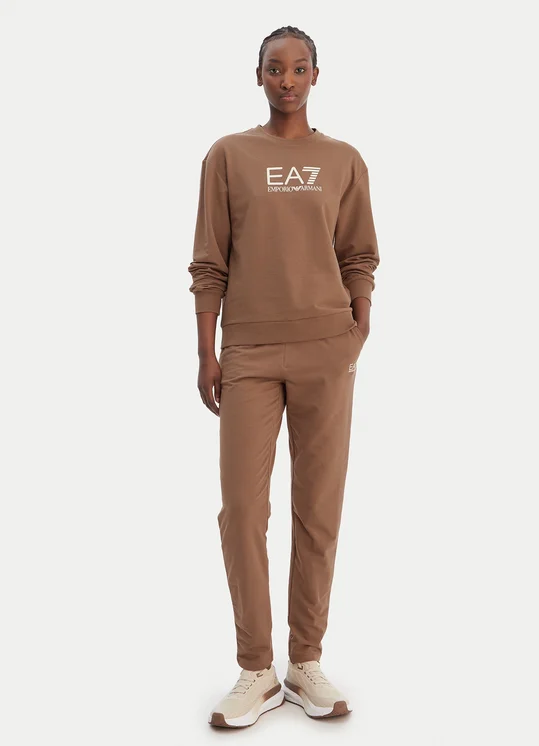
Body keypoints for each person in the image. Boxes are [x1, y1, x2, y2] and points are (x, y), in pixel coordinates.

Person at [188, 25, 380, 728]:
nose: (288, 80)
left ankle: (305, 661)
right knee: (242, 510)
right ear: (259, 75)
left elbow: (358, 252)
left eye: (300, 68)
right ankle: (255, 669)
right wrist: (207, 352)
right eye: (276, 68)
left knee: (318, 509)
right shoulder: (228, 155)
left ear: (316, 76)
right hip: (249, 352)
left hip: (327, 348)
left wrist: (359, 324)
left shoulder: (343, 160)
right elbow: (209, 260)